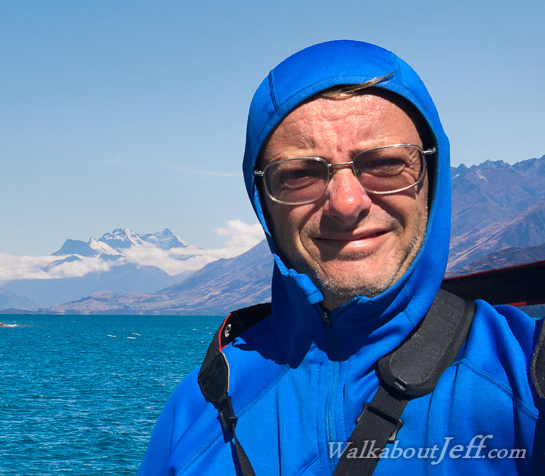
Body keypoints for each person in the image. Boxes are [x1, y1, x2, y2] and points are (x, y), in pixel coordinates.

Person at [138, 40, 541, 474]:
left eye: (386, 164)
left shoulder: (525, 377)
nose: (347, 203)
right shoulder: (199, 409)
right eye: (298, 174)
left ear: (432, 177)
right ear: (263, 203)